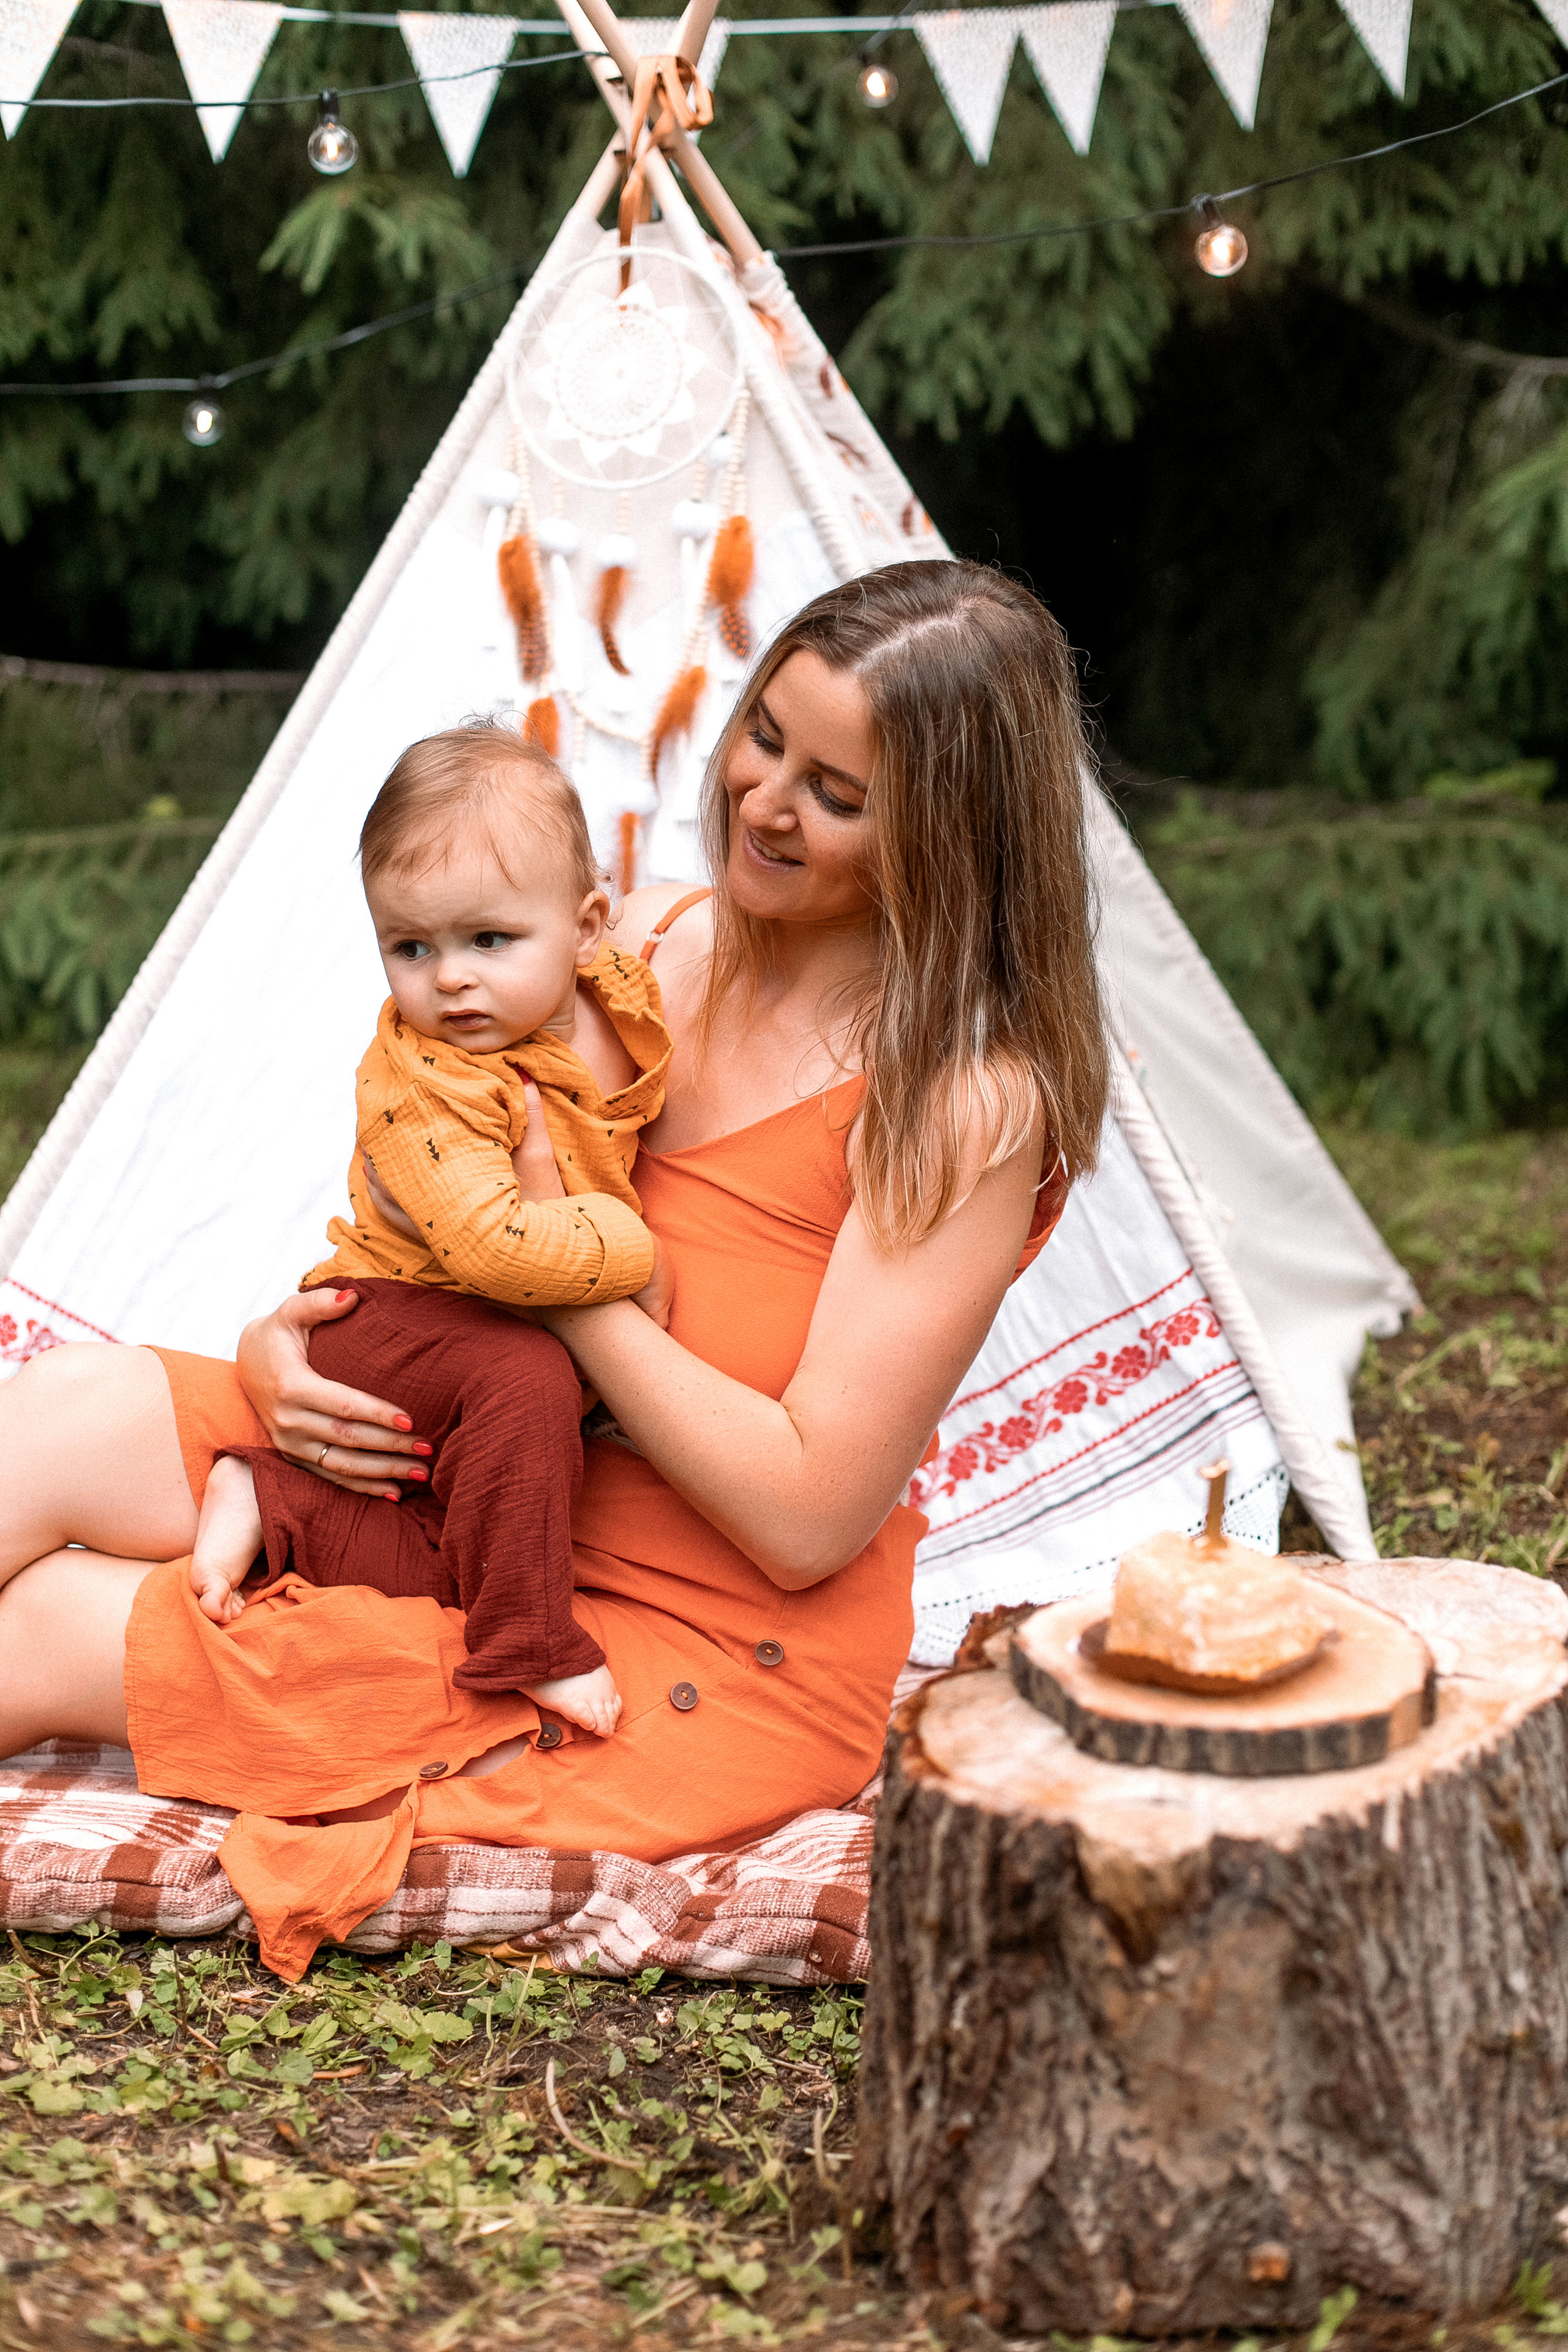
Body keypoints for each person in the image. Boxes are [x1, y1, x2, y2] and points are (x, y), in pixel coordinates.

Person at [0, 560, 1109, 1983]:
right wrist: (293, 1350)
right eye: (767, 737)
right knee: (67, 1412)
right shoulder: (632, 940)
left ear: (949, 839)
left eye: (839, 794)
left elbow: (807, 1515)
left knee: (50, 1631)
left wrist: (559, 1278)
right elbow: (433, 1181)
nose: (766, 802)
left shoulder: (957, 1101)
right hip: (470, 1461)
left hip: (681, 1626)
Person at [189, 723, 673, 1741]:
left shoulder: (604, 1003)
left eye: (487, 941)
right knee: (528, 1380)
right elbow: (495, 1249)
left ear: (589, 928)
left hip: (463, 1331)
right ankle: (534, 1644)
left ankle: (276, 1500)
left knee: (446, 1566)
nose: (448, 978)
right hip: (390, 1318)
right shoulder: (428, 1079)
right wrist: (634, 1251)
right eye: (411, 948)